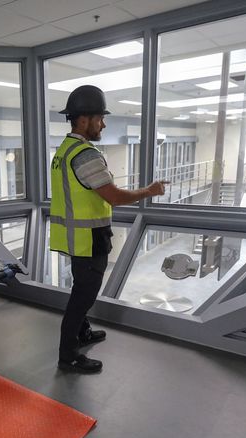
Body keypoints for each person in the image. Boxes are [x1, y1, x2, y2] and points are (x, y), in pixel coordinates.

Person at [51, 85, 168, 374]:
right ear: (83, 120)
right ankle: (68, 356)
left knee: (83, 290)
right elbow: (114, 197)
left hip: (78, 237)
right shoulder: (85, 154)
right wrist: (149, 190)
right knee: (83, 297)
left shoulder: (64, 150)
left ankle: (83, 332)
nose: (103, 124)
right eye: (100, 118)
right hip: (88, 240)